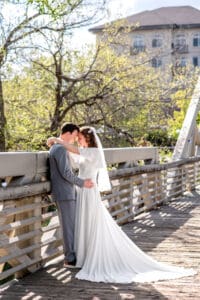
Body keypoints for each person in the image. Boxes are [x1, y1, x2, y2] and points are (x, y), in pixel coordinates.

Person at [47, 126, 197, 283]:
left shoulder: (93, 152)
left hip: (88, 189)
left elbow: (74, 152)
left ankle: (88, 255)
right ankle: (83, 255)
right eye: (77, 137)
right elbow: (72, 158)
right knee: (83, 223)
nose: (78, 140)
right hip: (82, 190)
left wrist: (57, 140)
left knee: (90, 222)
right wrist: (57, 144)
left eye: (80, 137)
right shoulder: (85, 152)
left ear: (88, 138)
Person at [48, 122, 93, 268]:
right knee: (68, 227)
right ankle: (69, 259)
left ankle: (73, 255)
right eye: (75, 135)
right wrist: (82, 183)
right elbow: (66, 173)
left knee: (71, 226)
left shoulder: (59, 147)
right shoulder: (59, 149)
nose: (75, 139)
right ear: (69, 133)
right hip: (64, 192)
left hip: (67, 192)